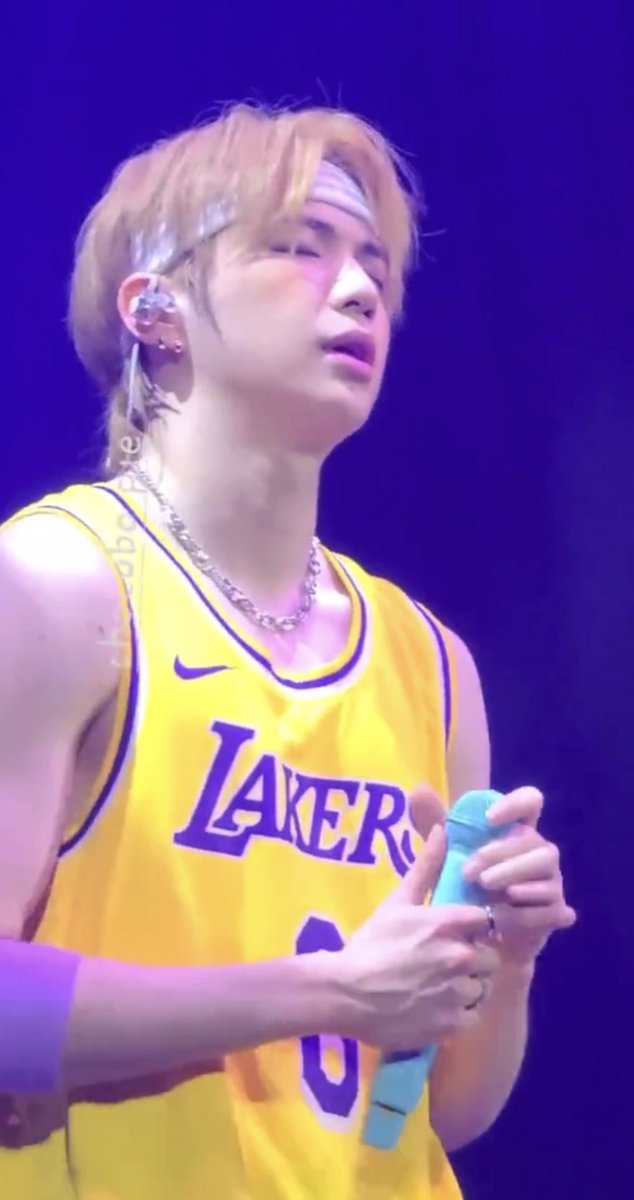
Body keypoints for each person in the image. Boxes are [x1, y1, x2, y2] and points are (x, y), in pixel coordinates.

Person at [0, 102, 575, 1200]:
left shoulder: (431, 662)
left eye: (374, 268)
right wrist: (332, 992)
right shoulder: (55, 588)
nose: (357, 291)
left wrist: (504, 966)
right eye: (300, 248)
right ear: (156, 311)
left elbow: (440, 1110)